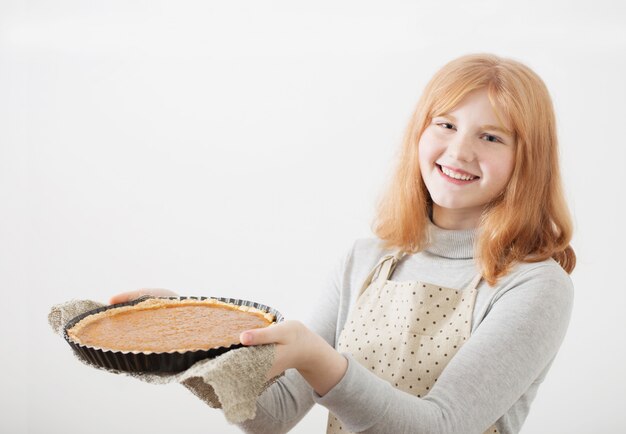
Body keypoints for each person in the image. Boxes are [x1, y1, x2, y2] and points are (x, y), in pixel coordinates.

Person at [111, 53, 576, 434]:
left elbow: (441, 426)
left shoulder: (535, 285)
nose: (459, 151)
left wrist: (318, 359)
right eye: (445, 125)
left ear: (527, 161)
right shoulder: (365, 259)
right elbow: (275, 413)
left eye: (491, 136)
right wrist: (190, 336)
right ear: (419, 133)